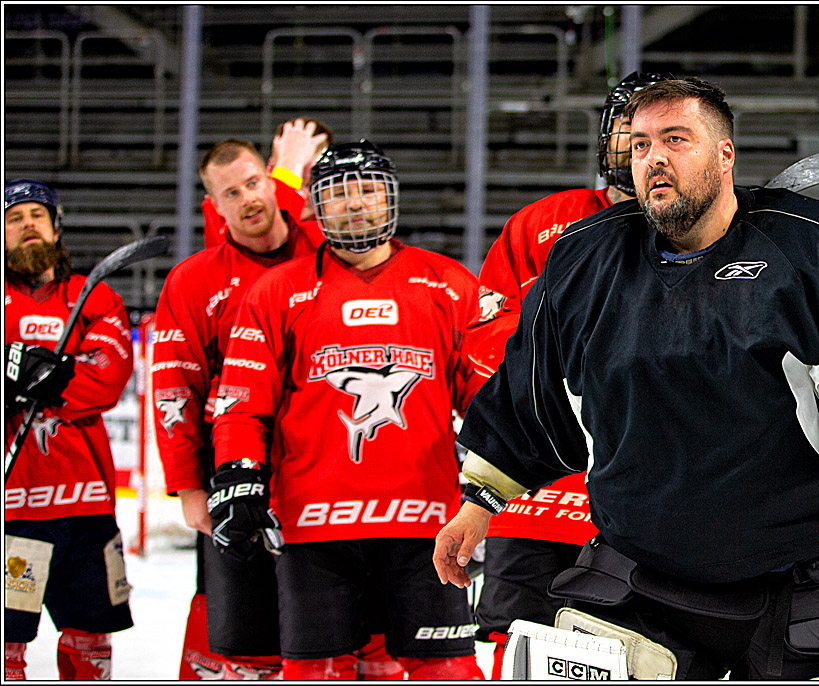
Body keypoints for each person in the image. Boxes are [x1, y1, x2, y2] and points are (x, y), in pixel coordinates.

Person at [435, 78, 819, 680]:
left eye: (676, 139)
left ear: (725, 154)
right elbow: (533, 391)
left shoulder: (814, 244)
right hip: (642, 571)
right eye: (640, 146)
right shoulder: (585, 257)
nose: (654, 159)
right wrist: (480, 502)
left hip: (803, 569)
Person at [210, 141, 486, 681]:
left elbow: (486, 400)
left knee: (447, 670)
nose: (354, 204)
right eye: (337, 194)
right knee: (315, 672)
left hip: (429, 525)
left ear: (390, 199)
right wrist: (237, 471)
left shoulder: (450, 285)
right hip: (314, 527)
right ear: (315, 206)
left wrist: (496, 484)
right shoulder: (277, 291)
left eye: (366, 191)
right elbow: (241, 401)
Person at [465, 70, 671, 678]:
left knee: (644, 651)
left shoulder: (705, 232)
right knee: (515, 647)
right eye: (632, 137)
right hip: (534, 501)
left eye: (662, 138)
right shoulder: (539, 226)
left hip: (650, 506)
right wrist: (567, 351)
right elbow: (484, 342)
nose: (644, 152)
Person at [151, 136, 326, 679]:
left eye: (254, 183)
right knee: (236, 635)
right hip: (233, 475)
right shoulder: (193, 279)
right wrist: (188, 485)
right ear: (215, 206)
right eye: (231, 192)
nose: (247, 198)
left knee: (329, 625)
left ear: (273, 182)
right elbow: (173, 388)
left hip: (325, 471)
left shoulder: (327, 250)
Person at [5, 179, 135, 680]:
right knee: (6, 646)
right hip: (12, 510)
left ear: (56, 227)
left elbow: (108, 375)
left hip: (85, 508)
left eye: (37, 215)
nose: (27, 225)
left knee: (90, 642)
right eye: (15, 219)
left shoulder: (92, 296)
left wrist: (51, 378)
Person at [200, 117, 332, 248]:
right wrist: (289, 168)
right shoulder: (223, 205)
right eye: (297, 179)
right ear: (270, 172)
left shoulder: (338, 229)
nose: (303, 195)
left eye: (311, 183)